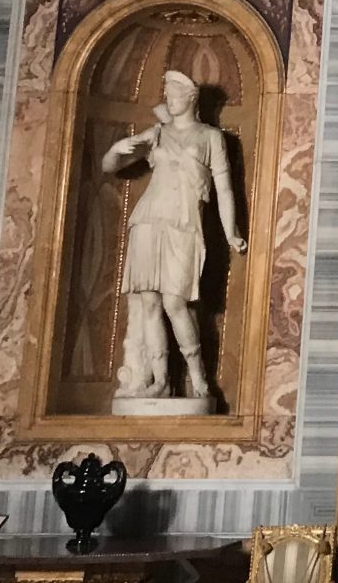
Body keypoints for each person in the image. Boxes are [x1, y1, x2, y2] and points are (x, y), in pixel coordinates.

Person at [101, 70, 245, 402]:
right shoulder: (157, 133)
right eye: (166, 94)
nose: (168, 99)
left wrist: (231, 232)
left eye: (175, 95)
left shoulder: (211, 138)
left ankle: (199, 379)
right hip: (148, 220)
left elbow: (224, 190)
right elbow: (110, 166)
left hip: (183, 224)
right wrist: (117, 150)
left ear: (191, 98)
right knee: (150, 303)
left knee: (175, 302)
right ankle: (161, 381)